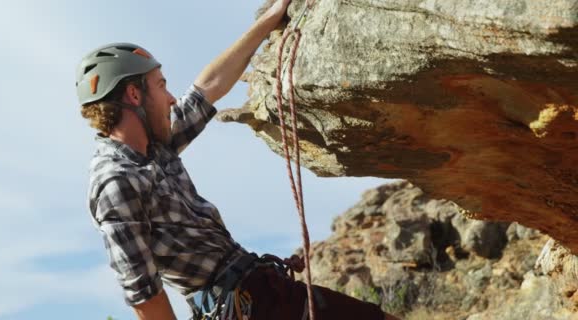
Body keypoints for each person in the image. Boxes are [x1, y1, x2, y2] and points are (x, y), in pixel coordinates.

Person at [76, 1, 400, 319]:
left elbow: (207, 88)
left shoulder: (155, 146)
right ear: (134, 95)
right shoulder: (115, 181)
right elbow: (144, 295)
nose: (171, 97)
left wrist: (268, 21)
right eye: (161, 86)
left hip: (260, 292)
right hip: (242, 307)